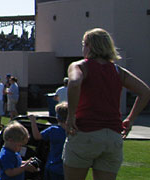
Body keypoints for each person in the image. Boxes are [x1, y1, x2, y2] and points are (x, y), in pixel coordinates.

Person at [63, 28, 150, 180]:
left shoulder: (79, 66)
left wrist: (71, 116)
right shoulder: (118, 70)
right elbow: (145, 92)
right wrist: (130, 119)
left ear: (89, 46)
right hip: (113, 137)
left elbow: (75, 83)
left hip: (85, 132)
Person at [29, 103, 68, 180]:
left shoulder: (53, 130)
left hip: (52, 165)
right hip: (66, 168)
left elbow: (37, 136)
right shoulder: (72, 132)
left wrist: (33, 121)